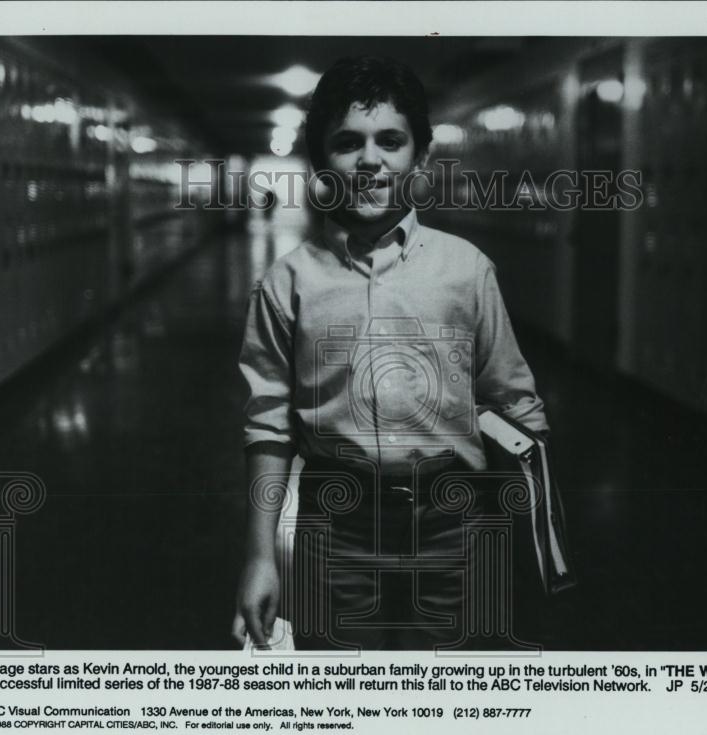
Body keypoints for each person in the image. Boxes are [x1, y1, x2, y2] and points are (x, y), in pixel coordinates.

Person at [233, 56, 548, 650]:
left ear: (420, 158)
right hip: (338, 527)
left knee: (443, 704)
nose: (370, 160)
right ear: (321, 161)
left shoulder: (467, 270)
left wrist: (532, 538)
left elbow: (515, 405)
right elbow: (267, 428)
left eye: (391, 141)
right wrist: (260, 558)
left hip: (454, 523)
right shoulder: (286, 283)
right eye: (348, 142)